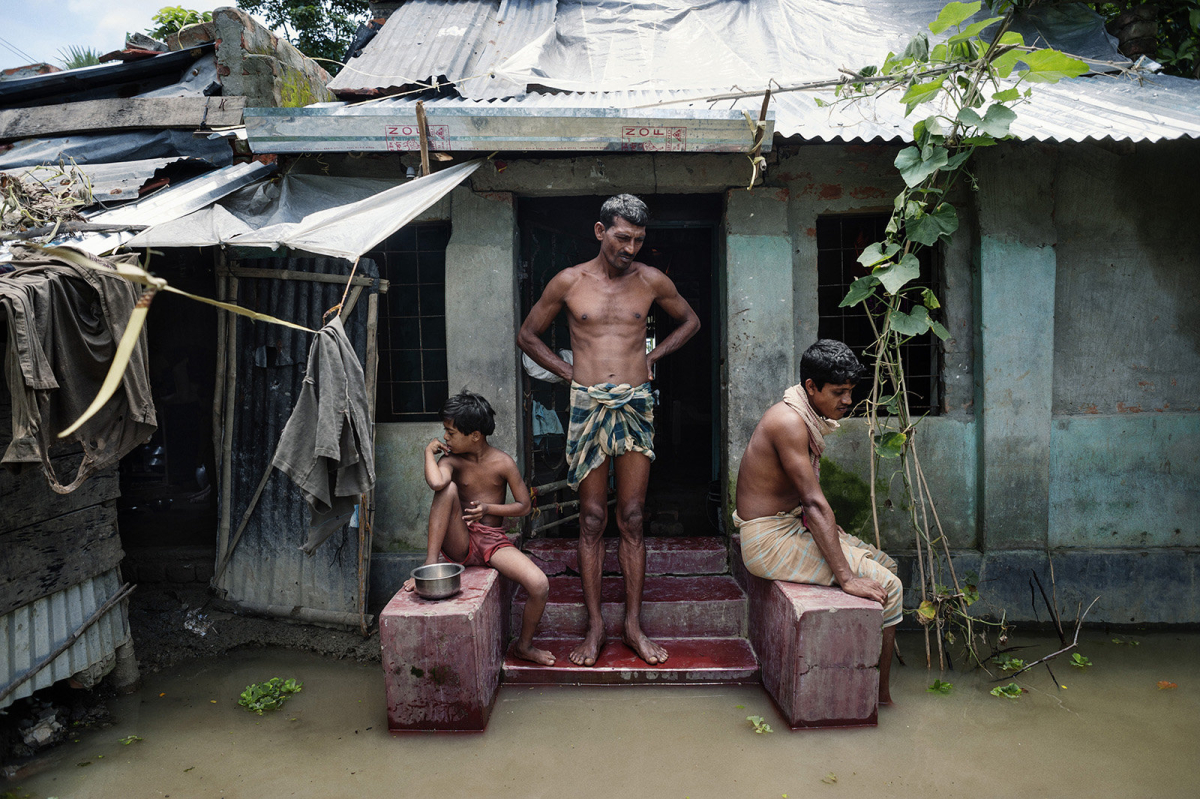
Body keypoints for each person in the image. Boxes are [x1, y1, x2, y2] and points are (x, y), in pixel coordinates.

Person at [517, 194, 701, 667]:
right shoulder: (568, 282)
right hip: (587, 404)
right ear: (601, 232)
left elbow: (690, 321)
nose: (630, 248)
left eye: (638, 240)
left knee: (634, 516)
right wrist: (568, 372)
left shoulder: (652, 281)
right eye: (622, 237)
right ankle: (596, 625)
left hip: (636, 404)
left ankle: (633, 625)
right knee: (593, 518)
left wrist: (652, 359)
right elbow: (527, 334)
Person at [734, 339, 903, 703]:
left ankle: (874, 676)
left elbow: (807, 504)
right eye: (838, 392)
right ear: (811, 387)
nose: (847, 400)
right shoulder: (788, 422)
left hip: (788, 525)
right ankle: (881, 700)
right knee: (889, 588)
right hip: (769, 542)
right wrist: (846, 577)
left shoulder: (801, 413)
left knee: (884, 564)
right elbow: (813, 503)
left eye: (851, 391)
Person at [402, 391, 554, 666]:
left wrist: (488, 509)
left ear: (474, 435)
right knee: (447, 490)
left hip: (493, 543)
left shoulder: (503, 463)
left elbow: (523, 507)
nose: (445, 438)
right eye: (444, 431)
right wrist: (427, 452)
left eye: (450, 432)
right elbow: (437, 483)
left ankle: (524, 646)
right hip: (459, 540)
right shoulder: (450, 460)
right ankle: (428, 567)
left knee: (539, 584)